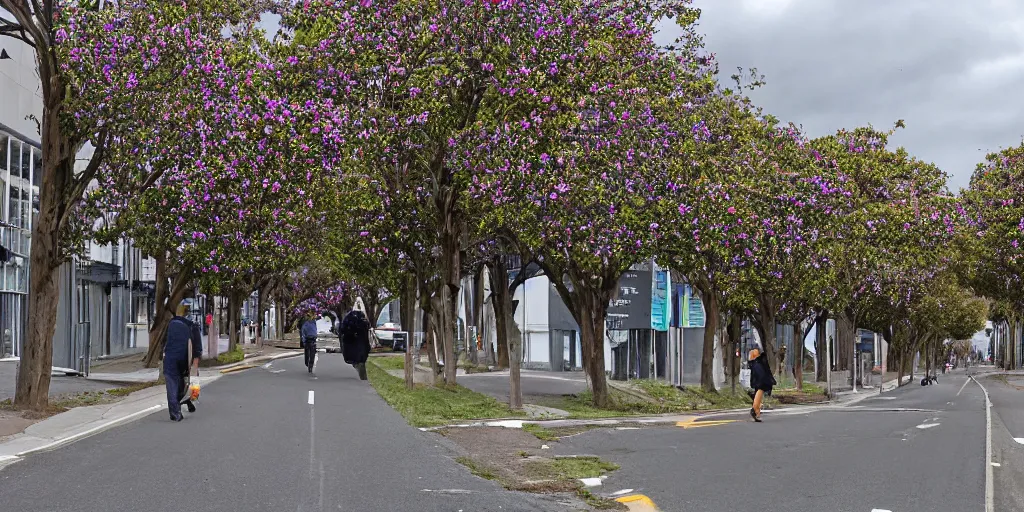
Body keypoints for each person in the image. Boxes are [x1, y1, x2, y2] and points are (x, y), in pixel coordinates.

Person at [164, 304, 202, 422]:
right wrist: (195, 366)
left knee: (172, 385)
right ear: (188, 313)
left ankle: (175, 413)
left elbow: (163, 343)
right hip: (185, 360)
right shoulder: (192, 326)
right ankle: (185, 401)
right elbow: (197, 349)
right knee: (185, 384)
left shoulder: (169, 324)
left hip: (170, 358)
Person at [340, 298, 372, 380]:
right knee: (361, 360)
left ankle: (362, 375)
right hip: (361, 344)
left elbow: (343, 329)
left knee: (357, 361)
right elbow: (367, 327)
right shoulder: (363, 318)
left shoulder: (349, 317)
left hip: (353, 344)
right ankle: (362, 376)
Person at [748, 348, 775, 423]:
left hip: (756, 361)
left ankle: (757, 410)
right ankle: (755, 409)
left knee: (760, 388)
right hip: (758, 362)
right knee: (761, 386)